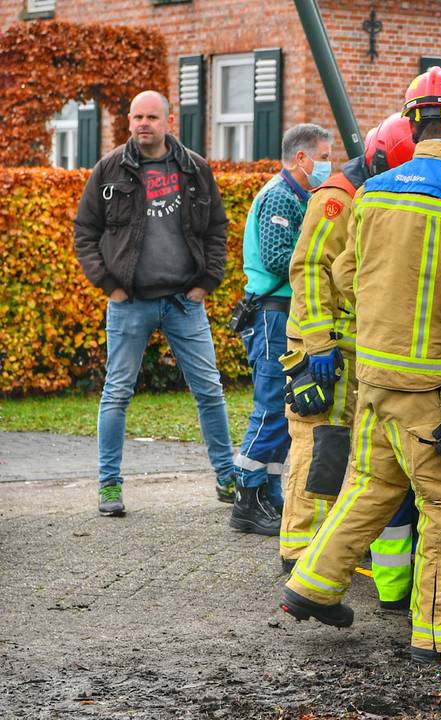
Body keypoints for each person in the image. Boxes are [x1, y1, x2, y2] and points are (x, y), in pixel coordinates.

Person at [281, 67, 441, 666]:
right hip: (425, 383)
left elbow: (343, 274)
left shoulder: (376, 190)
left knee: (371, 483)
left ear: (412, 122)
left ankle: (313, 584)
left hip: (373, 375)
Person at [72, 90, 235, 517]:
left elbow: (216, 229)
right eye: (137, 117)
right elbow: (85, 232)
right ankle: (109, 486)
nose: (144, 123)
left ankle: (227, 476)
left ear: (168, 121)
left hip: (185, 301)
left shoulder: (195, 168)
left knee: (209, 392)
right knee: (116, 394)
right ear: (129, 121)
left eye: (152, 117)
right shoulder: (109, 170)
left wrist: (206, 282)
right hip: (130, 303)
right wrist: (110, 285)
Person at [279, 114, 414, 574]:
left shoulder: (373, 195)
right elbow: (310, 268)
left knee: (347, 449)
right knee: (321, 445)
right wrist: (318, 342)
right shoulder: (337, 198)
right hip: (323, 347)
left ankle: (329, 550)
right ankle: (300, 551)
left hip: (353, 345)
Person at [230, 123, 334, 535]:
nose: (329, 165)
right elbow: (277, 258)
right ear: (301, 158)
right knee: (272, 405)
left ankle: (268, 491)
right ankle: (246, 496)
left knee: (285, 407)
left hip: (282, 312)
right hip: (273, 313)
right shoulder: (280, 195)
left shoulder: (297, 194)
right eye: (324, 157)